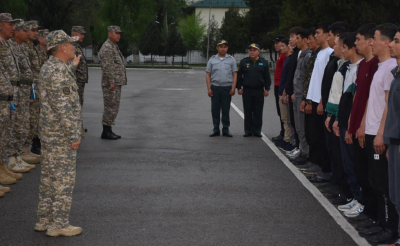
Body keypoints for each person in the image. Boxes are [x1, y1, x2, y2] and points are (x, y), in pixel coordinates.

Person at [35, 30, 83, 237]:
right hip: (61, 135)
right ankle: (59, 224)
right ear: (63, 47)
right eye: (71, 44)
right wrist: (74, 135)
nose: (74, 47)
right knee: (64, 179)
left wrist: (71, 68)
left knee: (49, 178)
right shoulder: (58, 72)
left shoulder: (51, 67)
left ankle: (44, 220)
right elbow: (64, 107)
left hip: (49, 132)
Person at [362, 23, 399, 244]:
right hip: (373, 132)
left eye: (375, 38)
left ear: (384, 42)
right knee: (376, 181)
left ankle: (389, 228)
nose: (372, 42)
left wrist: (380, 134)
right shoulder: (383, 67)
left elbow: (388, 106)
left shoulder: (390, 68)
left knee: (384, 185)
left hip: (380, 135)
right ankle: (380, 222)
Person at [347, 23, 379, 225]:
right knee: (361, 170)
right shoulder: (364, 65)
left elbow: (372, 99)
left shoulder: (376, 64)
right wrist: (352, 121)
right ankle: (366, 209)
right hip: (359, 124)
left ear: (370, 41)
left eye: (358, 39)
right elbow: (358, 95)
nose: (356, 43)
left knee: (372, 175)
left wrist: (361, 125)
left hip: (369, 128)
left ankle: (374, 216)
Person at [333, 32, 364, 218]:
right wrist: (338, 118)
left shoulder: (361, 68)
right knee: (347, 163)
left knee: (355, 163)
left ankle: (360, 200)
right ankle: (354, 196)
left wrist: (351, 125)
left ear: (353, 47)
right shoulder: (348, 67)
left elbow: (357, 101)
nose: (342, 50)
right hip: (344, 122)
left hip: (353, 125)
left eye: (344, 46)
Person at [302, 22, 333, 175]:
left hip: (319, 101)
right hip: (312, 99)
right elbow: (314, 79)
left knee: (320, 136)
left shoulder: (329, 53)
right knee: (312, 133)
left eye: (318, 33)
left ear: (327, 35)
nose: (315, 36)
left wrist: (321, 101)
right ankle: (315, 162)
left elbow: (326, 81)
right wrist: (308, 99)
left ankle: (322, 165)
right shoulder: (319, 53)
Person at [7, 19, 36, 173]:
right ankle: (11, 159)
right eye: (24, 30)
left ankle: (18, 156)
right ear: (17, 32)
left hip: (24, 91)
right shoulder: (10, 47)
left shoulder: (22, 47)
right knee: (14, 126)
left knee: (23, 125)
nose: (27, 33)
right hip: (15, 92)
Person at [0, 13, 24, 184]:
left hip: (7, 96)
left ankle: (3, 168)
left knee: (5, 135)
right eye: (10, 24)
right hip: (2, 96)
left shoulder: (6, 44)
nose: (13, 28)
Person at [385, 27, 400, 246]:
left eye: (396, 41)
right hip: (394, 142)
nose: (391, 44)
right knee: (395, 196)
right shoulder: (396, 73)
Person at [237, 43, 271, 137]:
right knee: (247, 111)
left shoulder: (263, 62)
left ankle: (257, 130)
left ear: (258, 51)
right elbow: (239, 76)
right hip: (247, 90)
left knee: (258, 111)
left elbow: (267, 77)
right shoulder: (244, 62)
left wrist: (267, 88)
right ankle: (248, 130)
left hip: (259, 90)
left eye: (254, 50)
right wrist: (239, 87)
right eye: (250, 50)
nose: (252, 52)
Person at [99, 25, 127, 140]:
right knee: (110, 106)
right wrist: (111, 81)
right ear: (110, 34)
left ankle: (109, 129)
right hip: (111, 84)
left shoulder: (113, 46)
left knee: (114, 106)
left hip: (115, 82)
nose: (119, 35)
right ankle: (106, 131)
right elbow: (108, 66)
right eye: (116, 33)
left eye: (120, 33)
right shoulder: (107, 47)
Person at [206, 39, 237, 137]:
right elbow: (208, 74)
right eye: (221, 47)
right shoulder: (212, 60)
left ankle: (226, 129)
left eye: (225, 47)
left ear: (227, 48)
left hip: (226, 88)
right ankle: (216, 129)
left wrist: (233, 87)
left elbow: (235, 74)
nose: (223, 49)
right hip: (215, 87)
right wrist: (209, 88)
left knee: (225, 109)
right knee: (215, 109)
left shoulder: (231, 60)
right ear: (217, 48)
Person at [22, 20, 42, 161]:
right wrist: (30, 91)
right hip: (29, 90)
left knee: (34, 121)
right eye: (33, 30)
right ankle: (23, 151)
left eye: (37, 30)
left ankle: (26, 149)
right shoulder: (25, 48)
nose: (36, 33)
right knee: (27, 121)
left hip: (35, 88)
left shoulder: (32, 47)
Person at [292, 29, 311, 162]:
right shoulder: (301, 55)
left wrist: (304, 97)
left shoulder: (308, 56)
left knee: (302, 126)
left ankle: (306, 153)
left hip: (302, 95)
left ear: (304, 40)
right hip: (297, 93)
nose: (296, 40)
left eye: (298, 38)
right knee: (298, 126)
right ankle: (302, 149)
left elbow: (306, 79)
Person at [282, 27, 302, 152]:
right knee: (292, 121)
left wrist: (294, 91)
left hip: (297, 93)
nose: (291, 40)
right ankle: (295, 145)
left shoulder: (300, 54)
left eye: (293, 37)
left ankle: (299, 147)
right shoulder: (294, 55)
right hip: (290, 92)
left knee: (298, 124)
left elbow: (300, 76)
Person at [275, 39, 292, 147]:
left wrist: (285, 92)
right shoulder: (285, 58)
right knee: (283, 117)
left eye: (283, 46)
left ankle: (288, 139)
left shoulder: (289, 59)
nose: (281, 48)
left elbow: (288, 78)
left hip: (284, 90)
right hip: (281, 88)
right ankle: (286, 137)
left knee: (287, 117)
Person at [272, 34, 286, 142]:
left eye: (277, 43)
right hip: (277, 84)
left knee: (283, 112)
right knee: (280, 111)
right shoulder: (280, 55)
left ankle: (285, 133)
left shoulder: (284, 55)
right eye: (275, 43)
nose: (275, 45)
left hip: (281, 85)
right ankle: (283, 131)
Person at [71, 26, 88, 108]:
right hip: (75, 82)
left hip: (80, 82)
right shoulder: (71, 46)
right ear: (74, 33)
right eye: (81, 34)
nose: (83, 36)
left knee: (79, 103)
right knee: (75, 105)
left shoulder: (77, 46)